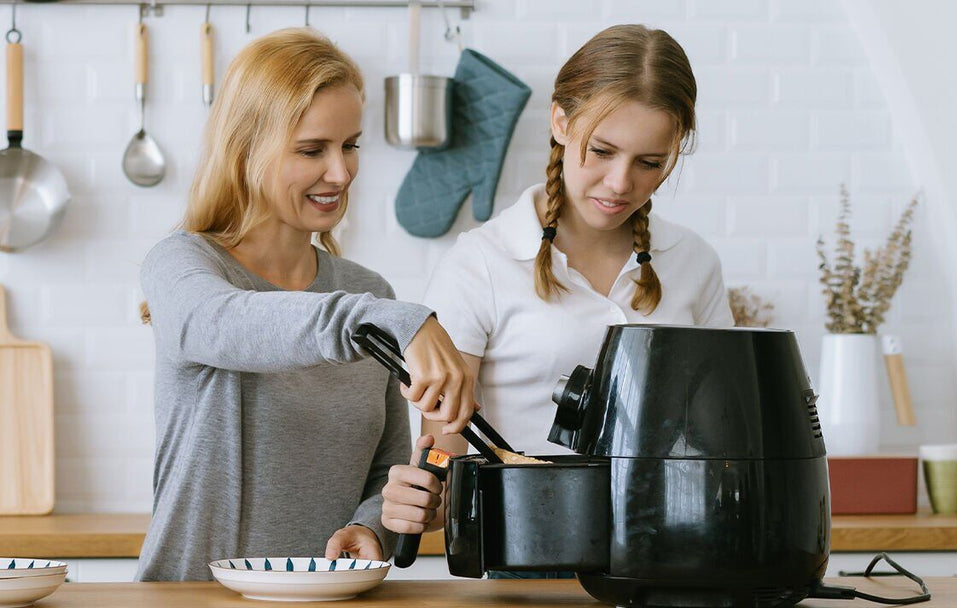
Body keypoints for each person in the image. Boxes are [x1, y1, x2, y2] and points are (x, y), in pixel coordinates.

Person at [380, 24, 734, 577]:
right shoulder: (480, 264)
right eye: (602, 151)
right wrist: (428, 495)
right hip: (527, 566)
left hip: (672, 566)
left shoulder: (694, 262)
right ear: (560, 122)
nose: (620, 183)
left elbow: (722, 431)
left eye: (649, 162)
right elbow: (445, 448)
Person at [135, 28, 476, 581]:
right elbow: (224, 323)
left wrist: (373, 526)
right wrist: (400, 321)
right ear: (247, 149)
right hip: (193, 597)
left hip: (327, 596)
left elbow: (384, 474)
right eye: (312, 150)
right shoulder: (183, 265)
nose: (341, 173)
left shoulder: (369, 291)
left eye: (351, 145)